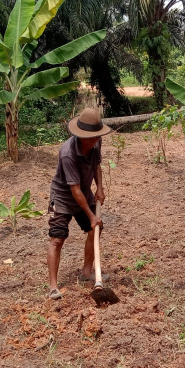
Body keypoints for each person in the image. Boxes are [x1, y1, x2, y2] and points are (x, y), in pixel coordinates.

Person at [46, 108, 112, 300]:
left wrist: (99, 187)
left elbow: (97, 165)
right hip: (63, 197)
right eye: (92, 137)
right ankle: (53, 287)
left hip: (84, 192)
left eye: (98, 136)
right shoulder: (67, 153)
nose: (96, 140)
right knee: (57, 239)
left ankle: (86, 273)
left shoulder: (96, 143)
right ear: (82, 136)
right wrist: (91, 216)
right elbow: (74, 191)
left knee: (95, 230)